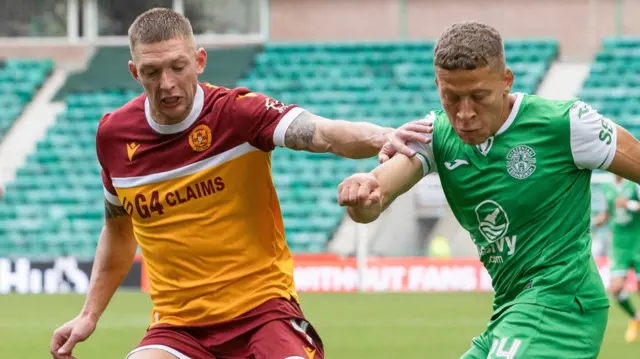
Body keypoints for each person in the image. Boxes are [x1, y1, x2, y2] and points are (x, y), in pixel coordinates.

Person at [48, 7, 432, 359]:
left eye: (177, 66)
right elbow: (118, 230)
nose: (166, 83)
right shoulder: (113, 136)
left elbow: (323, 132)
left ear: (199, 61)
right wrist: (88, 315)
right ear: (135, 72)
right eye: (152, 72)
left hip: (263, 313)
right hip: (178, 328)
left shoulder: (238, 113)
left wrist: (384, 135)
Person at [338, 20, 640, 358]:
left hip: (563, 304)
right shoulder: (434, 135)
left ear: (506, 81)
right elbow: (376, 197)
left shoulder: (566, 124)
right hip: (510, 309)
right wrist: (362, 194)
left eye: (478, 97)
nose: (464, 113)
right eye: (451, 98)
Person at [593, 174, 640, 342]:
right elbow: (607, 214)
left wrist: (630, 204)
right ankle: (635, 317)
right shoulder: (607, 187)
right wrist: (597, 221)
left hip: (638, 241)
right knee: (616, 289)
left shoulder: (634, 184)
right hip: (619, 246)